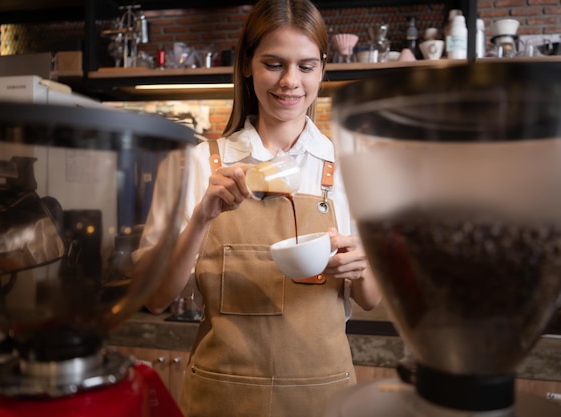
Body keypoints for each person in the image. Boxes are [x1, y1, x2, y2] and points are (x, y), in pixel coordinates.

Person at [133, 0, 381, 416]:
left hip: (321, 397)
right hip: (221, 396)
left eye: (305, 66)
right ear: (247, 64)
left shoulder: (351, 168)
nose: (290, 82)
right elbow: (156, 299)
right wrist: (202, 218)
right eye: (273, 63)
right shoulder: (194, 165)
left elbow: (370, 298)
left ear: (323, 68)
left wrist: (359, 265)